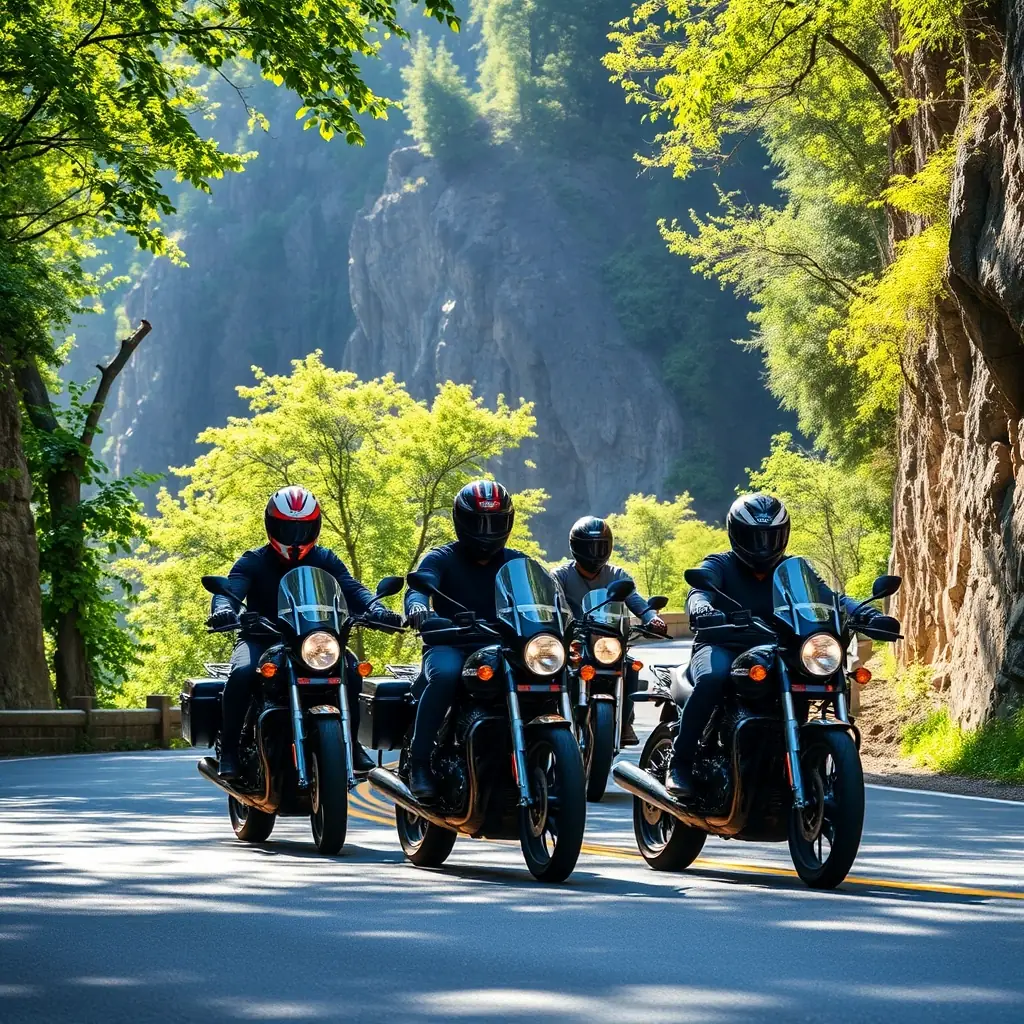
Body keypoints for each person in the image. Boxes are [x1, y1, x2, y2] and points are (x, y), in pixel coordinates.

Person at [666, 492, 899, 800]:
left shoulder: (795, 571)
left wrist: (867, 615)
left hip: (778, 650)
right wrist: (702, 608)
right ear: (737, 533)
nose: (763, 545)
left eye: (771, 536)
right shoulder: (720, 564)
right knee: (713, 678)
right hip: (723, 644)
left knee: (823, 674)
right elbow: (699, 591)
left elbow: (833, 599)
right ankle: (680, 763)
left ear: (783, 535)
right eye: (755, 537)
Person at [207, 486, 402, 781]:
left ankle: (352, 744)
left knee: (351, 669)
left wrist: (377, 609)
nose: (296, 538)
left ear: (315, 526)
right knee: (243, 672)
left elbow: (352, 588)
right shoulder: (254, 560)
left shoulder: (326, 559)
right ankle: (230, 751)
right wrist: (224, 609)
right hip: (262, 638)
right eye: (287, 528)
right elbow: (230, 591)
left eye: (303, 529)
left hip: (314, 642)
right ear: (272, 525)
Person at [403, 479, 526, 802]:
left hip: (501, 647)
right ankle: (419, 763)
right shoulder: (441, 558)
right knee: (445, 675)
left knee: (545, 674)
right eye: (478, 522)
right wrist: (417, 607)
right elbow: (418, 588)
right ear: (462, 521)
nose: (487, 531)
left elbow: (545, 596)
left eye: (495, 522)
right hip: (451, 642)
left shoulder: (517, 563)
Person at [551, 516, 668, 746]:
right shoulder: (560, 576)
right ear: (576, 547)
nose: (595, 553)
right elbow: (552, 603)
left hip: (608, 641)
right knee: (552, 667)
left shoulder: (617, 575)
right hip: (575, 641)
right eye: (590, 547)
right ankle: (553, 716)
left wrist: (652, 618)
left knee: (630, 666)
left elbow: (635, 600)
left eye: (601, 547)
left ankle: (625, 723)